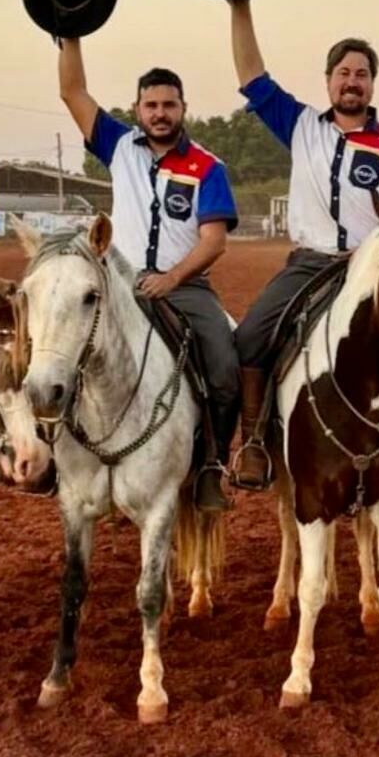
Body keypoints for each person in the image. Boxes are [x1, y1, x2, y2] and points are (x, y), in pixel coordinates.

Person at [223, 0, 379, 494]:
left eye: (361, 74)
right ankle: (255, 445)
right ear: (328, 80)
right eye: (343, 72)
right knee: (249, 339)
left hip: (371, 267)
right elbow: (250, 76)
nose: (351, 81)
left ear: (373, 84)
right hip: (309, 264)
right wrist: (239, 4)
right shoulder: (302, 125)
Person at [58, 38, 239, 512]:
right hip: (121, 283)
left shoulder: (208, 167)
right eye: (151, 105)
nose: (160, 113)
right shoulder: (119, 146)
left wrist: (173, 278)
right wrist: (70, 35)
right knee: (66, 352)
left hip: (186, 288)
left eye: (169, 105)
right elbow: (73, 92)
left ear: (183, 108)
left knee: (223, 370)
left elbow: (214, 239)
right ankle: (63, 460)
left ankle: (211, 468)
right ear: (137, 109)